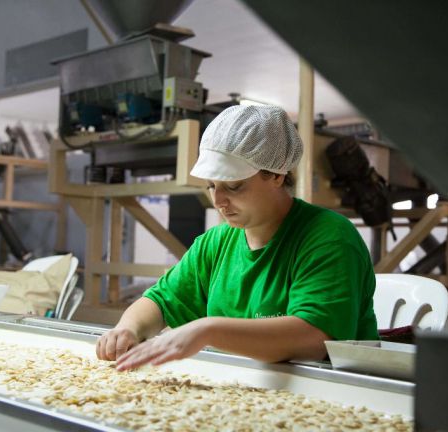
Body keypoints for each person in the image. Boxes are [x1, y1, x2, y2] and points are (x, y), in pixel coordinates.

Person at [96, 105, 378, 371]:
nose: (218, 200)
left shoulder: (328, 237)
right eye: (211, 186)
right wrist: (128, 329)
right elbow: (160, 301)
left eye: (233, 185)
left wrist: (208, 330)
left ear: (277, 174)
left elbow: (314, 339)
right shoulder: (216, 244)